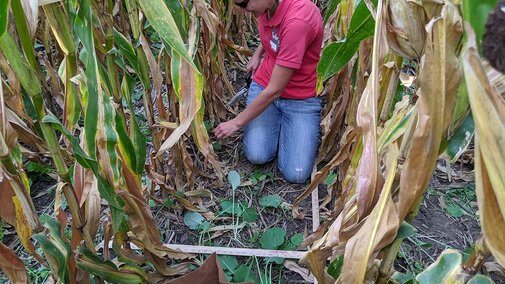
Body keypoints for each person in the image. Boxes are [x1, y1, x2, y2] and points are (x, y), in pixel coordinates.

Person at [215, 0, 323, 183]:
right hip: (266, 84)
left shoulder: (298, 20)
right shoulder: (267, 7)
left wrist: (237, 122)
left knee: (296, 174)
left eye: (243, 4)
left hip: (298, 97)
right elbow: (273, 34)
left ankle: (287, 123)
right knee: (257, 155)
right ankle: (280, 124)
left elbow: (275, 90)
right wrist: (258, 55)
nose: (242, 11)